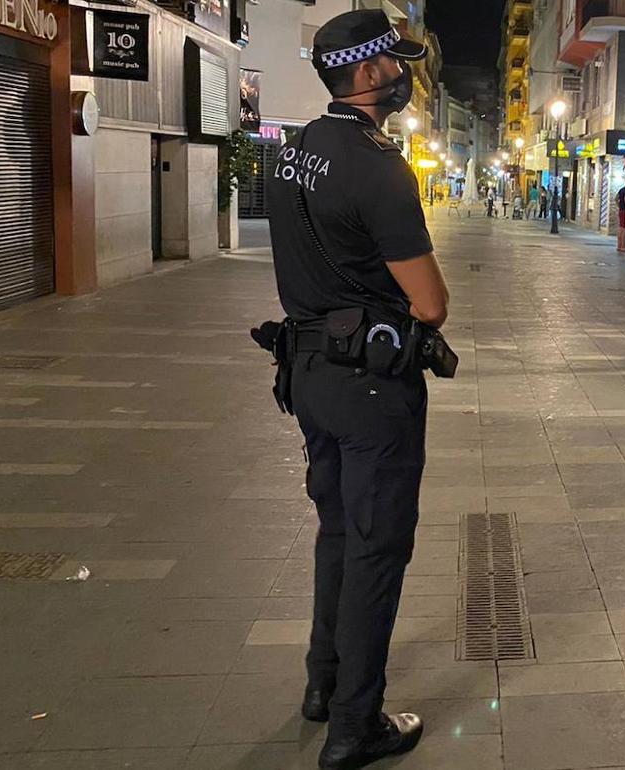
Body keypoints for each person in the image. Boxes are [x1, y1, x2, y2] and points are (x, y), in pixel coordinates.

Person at [265, 10, 449, 770]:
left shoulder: (289, 152)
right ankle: (354, 726)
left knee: (337, 532)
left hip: (306, 373)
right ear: (369, 73)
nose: (406, 75)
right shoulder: (378, 165)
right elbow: (430, 301)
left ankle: (323, 684)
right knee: (378, 549)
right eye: (398, 64)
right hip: (372, 388)